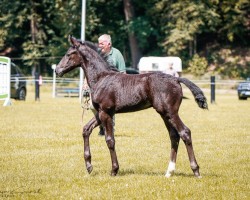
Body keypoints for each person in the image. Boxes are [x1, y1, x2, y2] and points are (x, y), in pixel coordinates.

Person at [83, 34, 126, 136]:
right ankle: (103, 125)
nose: (99, 45)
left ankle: (108, 129)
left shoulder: (117, 54)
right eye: (99, 43)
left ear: (109, 44)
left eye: (102, 43)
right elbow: (90, 69)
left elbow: (123, 72)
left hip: (113, 87)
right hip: (98, 87)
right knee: (93, 107)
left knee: (109, 107)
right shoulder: (96, 54)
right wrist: (85, 82)